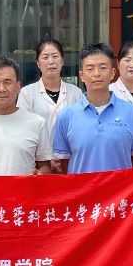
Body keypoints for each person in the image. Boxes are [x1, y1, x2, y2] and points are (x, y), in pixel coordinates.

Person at [53, 42, 133, 173]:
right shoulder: (66, 116)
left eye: (103, 68)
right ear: (81, 75)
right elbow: (65, 164)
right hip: (82, 187)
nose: (97, 73)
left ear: (112, 73)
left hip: (120, 187)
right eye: (90, 68)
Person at [18, 38, 83, 173]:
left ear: (62, 61)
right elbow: (24, 131)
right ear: (38, 63)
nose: (51, 61)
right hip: (39, 165)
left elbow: (81, 129)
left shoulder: (76, 92)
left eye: (55, 56)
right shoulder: (27, 93)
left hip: (71, 162)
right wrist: (47, 159)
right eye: (45, 57)